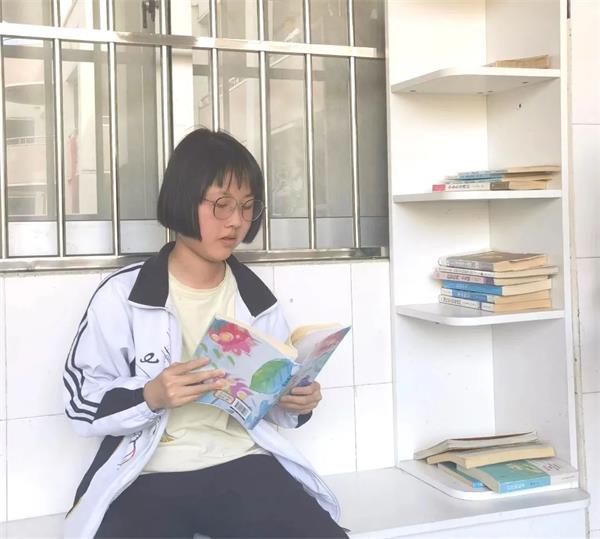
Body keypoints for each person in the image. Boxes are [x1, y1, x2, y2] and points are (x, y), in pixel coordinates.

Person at [63, 128, 347, 539]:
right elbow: (80, 402)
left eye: (247, 206)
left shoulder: (256, 299)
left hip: (242, 463)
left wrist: (296, 401)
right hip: (145, 472)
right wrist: (150, 395)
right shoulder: (124, 295)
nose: (236, 221)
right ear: (183, 199)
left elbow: (267, 407)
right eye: (221, 204)